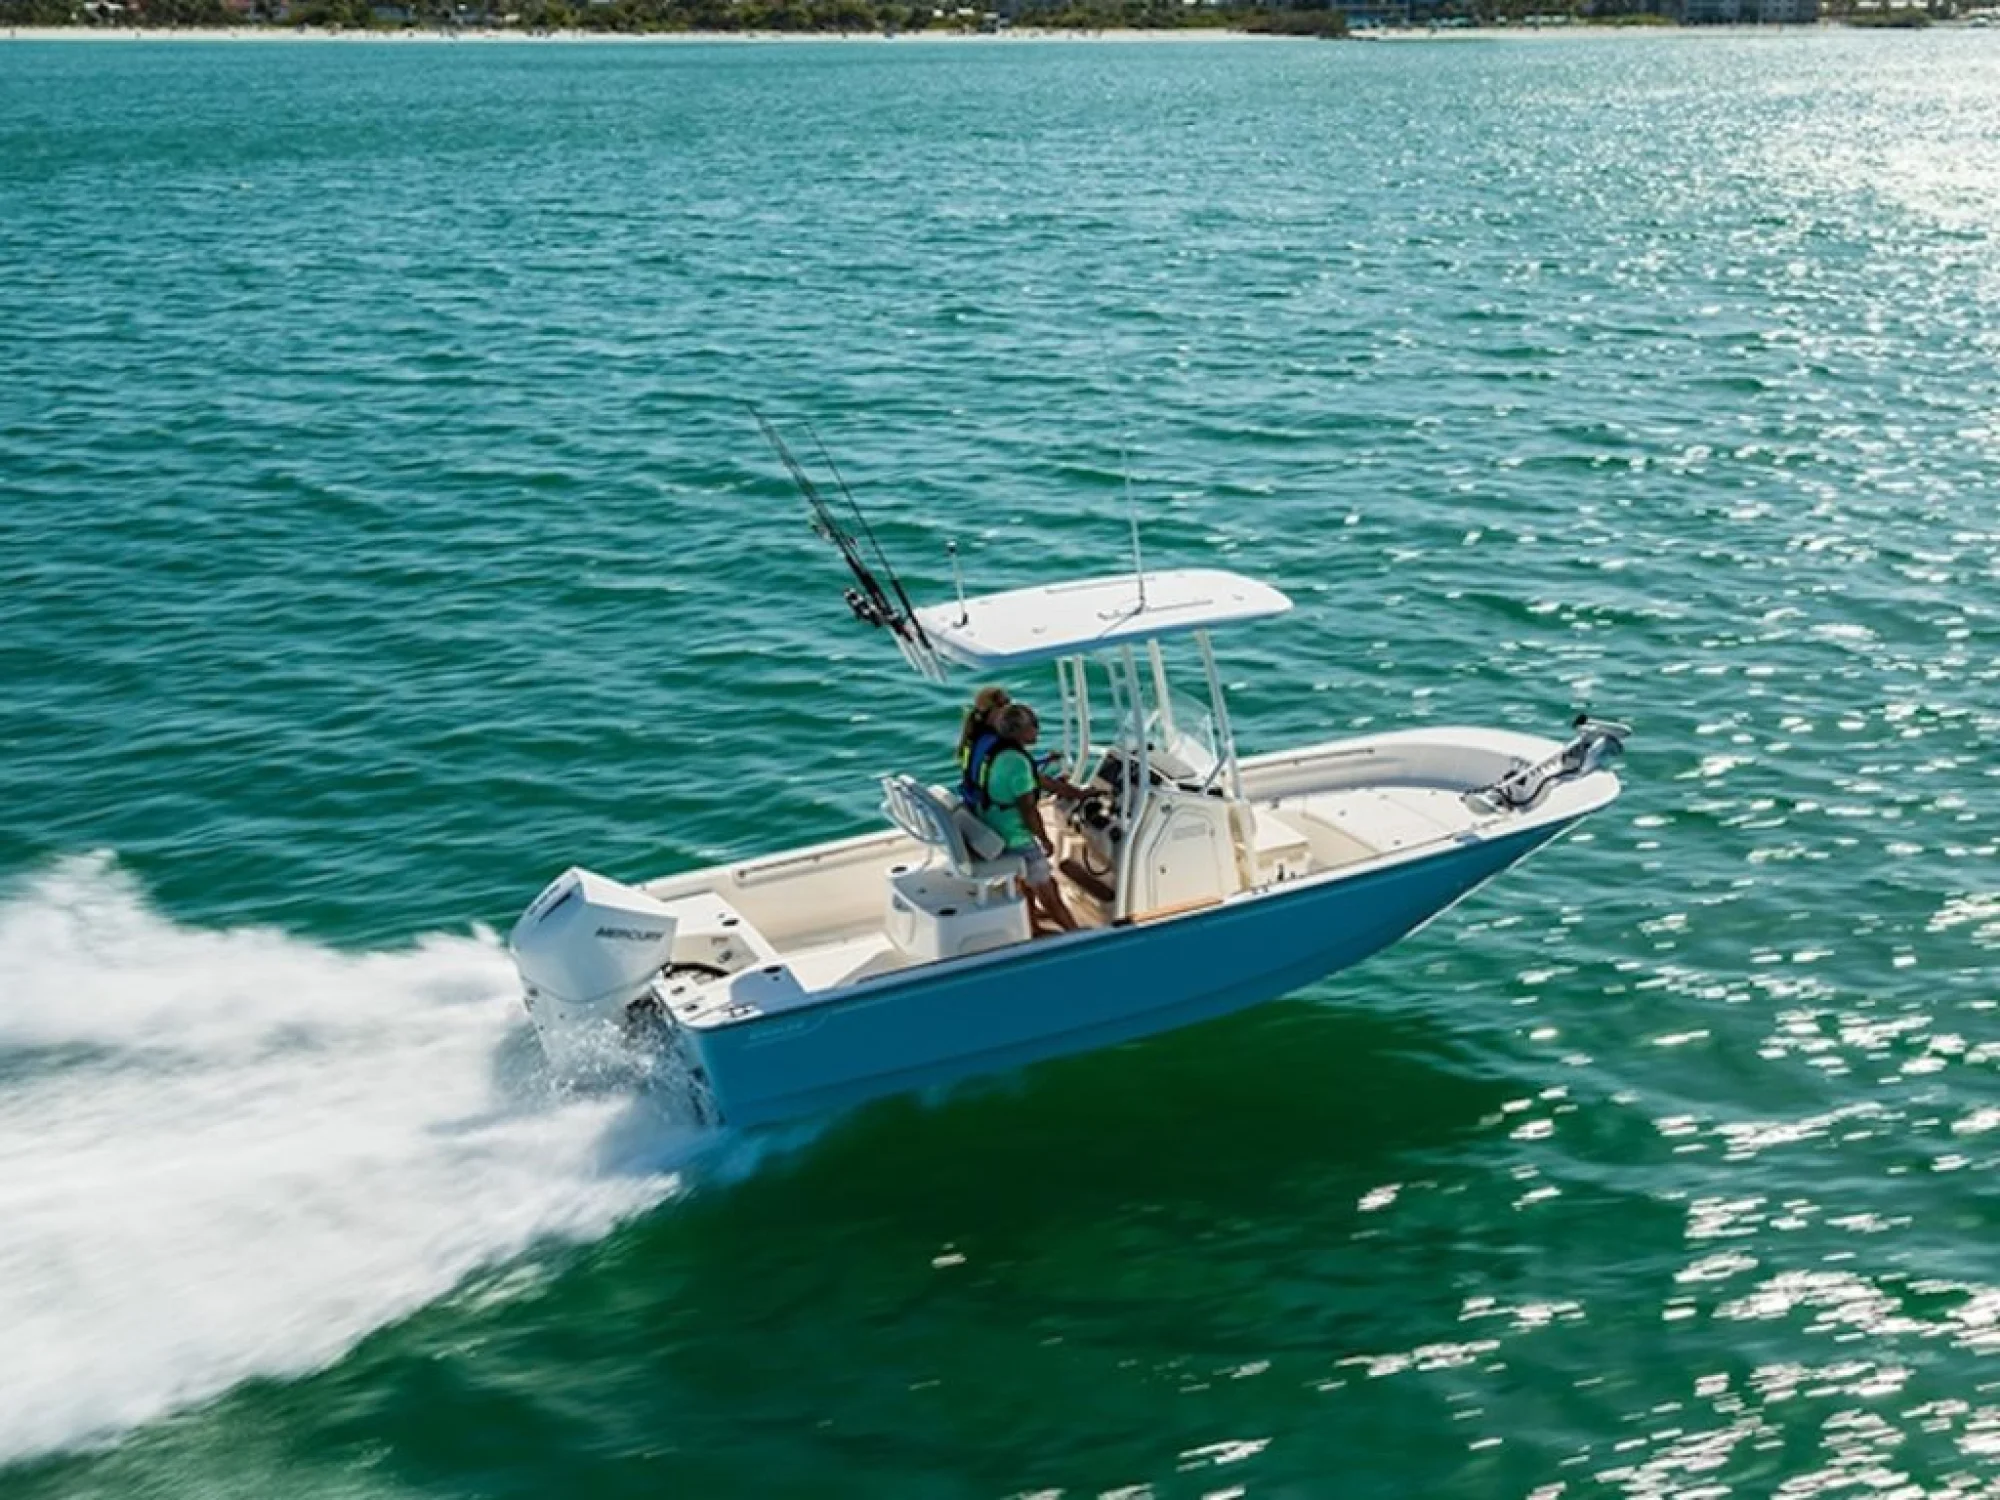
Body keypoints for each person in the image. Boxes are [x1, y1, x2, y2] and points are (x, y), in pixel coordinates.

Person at [964, 702, 1078, 934]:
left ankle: (1032, 926)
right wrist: (1044, 840)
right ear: (1020, 731)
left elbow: (1036, 780)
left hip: (992, 823)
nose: (1038, 730)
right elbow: (1028, 810)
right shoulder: (1017, 764)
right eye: (1034, 725)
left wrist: (1077, 792)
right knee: (1048, 887)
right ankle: (1076, 934)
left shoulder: (998, 751)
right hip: (1013, 836)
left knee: (1024, 880)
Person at [955, 685, 1010, 774]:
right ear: (988, 711)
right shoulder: (998, 743)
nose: (1009, 708)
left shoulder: (973, 737)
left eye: (1009, 702)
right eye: (1002, 704)